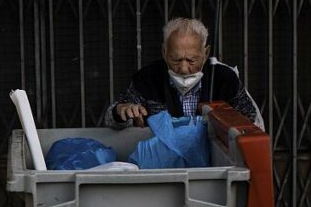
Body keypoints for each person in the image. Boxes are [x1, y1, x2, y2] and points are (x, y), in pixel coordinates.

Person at [103, 17, 264, 130]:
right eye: (176, 60)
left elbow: (249, 119)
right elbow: (111, 120)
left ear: (206, 53)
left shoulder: (224, 79)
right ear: (164, 52)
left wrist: (222, 121)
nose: (184, 69)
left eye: (191, 60)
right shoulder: (147, 78)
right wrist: (120, 112)